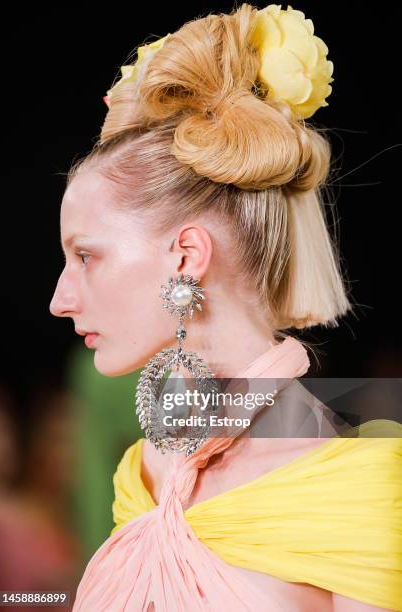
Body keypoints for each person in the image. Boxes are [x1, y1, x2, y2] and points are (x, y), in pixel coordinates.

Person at [49, 3, 402, 610]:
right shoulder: (140, 474)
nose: (59, 299)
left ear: (187, 254)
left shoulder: (356, 490)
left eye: (86, 256)